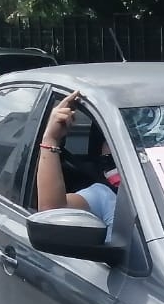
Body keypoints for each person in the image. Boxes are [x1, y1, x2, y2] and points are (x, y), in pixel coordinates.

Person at [36, 90, 117, 224]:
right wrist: (51, 139)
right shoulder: (104, 195)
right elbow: (51, 213)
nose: (114, 149)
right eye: (110, 141)